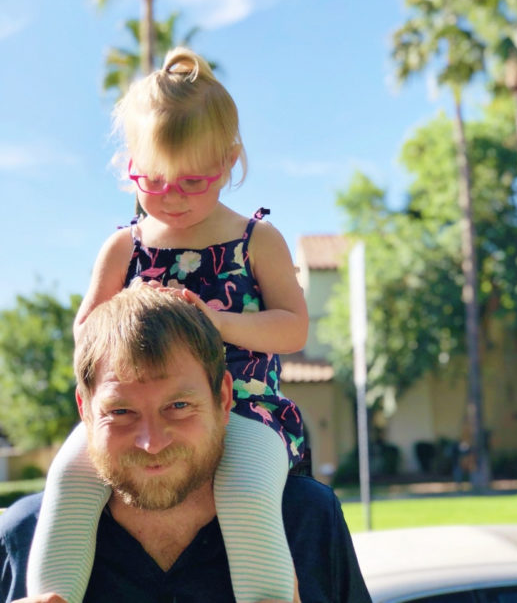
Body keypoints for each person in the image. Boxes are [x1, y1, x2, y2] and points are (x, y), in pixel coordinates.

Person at [27, 48, 309, 603]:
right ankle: (51, 595)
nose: (172, 199)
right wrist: (129, 309)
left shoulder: (256, 241)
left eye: (192, 182)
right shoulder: (123, 246)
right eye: (152, 182)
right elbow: (86, 335)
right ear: (127, 164)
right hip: (137, 410)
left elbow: (293, 329)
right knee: (69, 478)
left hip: (246, 406)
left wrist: (213, 320)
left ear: (231, 163)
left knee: (245, 490)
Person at [1, 285, 371, 602]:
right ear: (85, 410)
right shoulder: (23, 536)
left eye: (178, 406)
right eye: (121, 411)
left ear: (224, 399)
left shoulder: (306, 518)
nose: (151, 442)